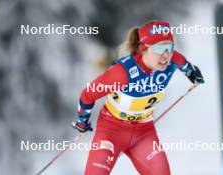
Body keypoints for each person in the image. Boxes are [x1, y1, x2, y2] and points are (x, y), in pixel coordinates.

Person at [72, 21, 204, 175]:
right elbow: (88, 94)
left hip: (144, 132)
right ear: (143, 49)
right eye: (159, 49)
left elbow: (184, 64)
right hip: (111, 131)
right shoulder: (122, 73)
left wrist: (192, 73)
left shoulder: (171, 60)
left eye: (169, 47)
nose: (166, 55)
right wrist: (83, 122)